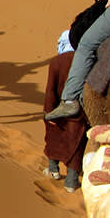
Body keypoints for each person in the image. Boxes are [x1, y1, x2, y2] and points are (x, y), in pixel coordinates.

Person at [43, 30, 87, 192]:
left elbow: (50, 90)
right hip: (79, 113)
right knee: (76, 143)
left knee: (54, 138)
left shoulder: (56, 62)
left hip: (57, 110)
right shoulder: (85, 61)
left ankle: (53, 169)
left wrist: (48, 112)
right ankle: (71, 181)